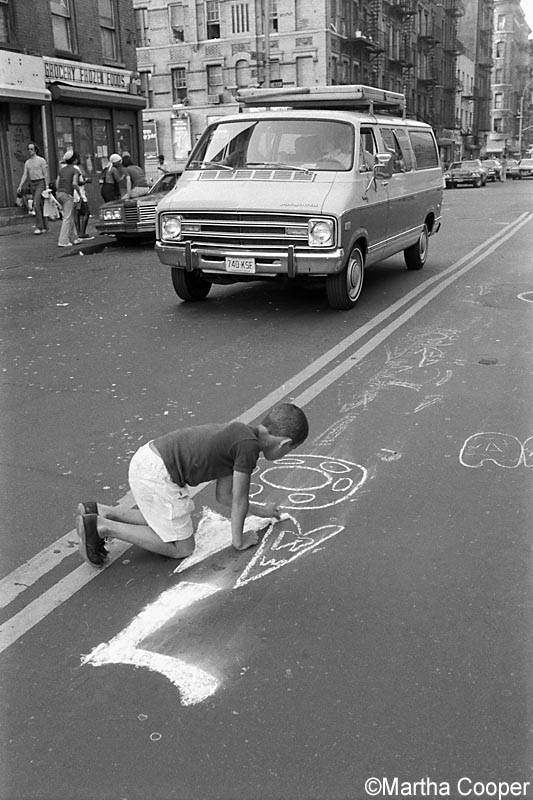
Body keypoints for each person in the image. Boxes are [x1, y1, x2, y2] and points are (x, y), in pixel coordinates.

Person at [75, 403, 309, 567]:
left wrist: (263, 512)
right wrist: (238, 541)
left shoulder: (241, 435)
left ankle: (102, 511)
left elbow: (225, 497)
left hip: (149, 460)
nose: (287, 454)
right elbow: (238, 500)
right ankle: (103, 527)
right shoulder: (247, 450)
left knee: (163, 520)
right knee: (183, 547)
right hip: (159, 475)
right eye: (291, 450)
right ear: (284, 443)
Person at [17, 142, 50, 235]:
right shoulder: (27, 162)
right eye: (28, 149)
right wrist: (20, 185)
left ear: (35, 150)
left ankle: (39, 226)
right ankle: (45, 226)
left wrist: (47, 186)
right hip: (32, 183)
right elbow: (25, 174)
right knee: (40, 204)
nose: (30, 151)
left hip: (40, 182)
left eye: (31, 149)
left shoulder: (41, 160)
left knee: (36, 203)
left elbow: (45, 173)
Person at [56, 150, 81, 247]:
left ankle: (74, 238)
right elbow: (74, 183)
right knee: (67, 218)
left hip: (59, 194)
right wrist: (79, 193)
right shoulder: (75, 169)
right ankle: (63, 241)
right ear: (74, 160)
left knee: (69, 216)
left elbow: (57, 183)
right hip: (67, 194)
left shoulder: (62, 170)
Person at [73, 159, 93, 240]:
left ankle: (78, 233)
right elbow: (77, 182)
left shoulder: (69, 168)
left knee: (76, 213)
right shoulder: (76, 169)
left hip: (74, 193)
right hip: (79, 192)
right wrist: (86, 181)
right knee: (86, 212)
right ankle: (82, 233)